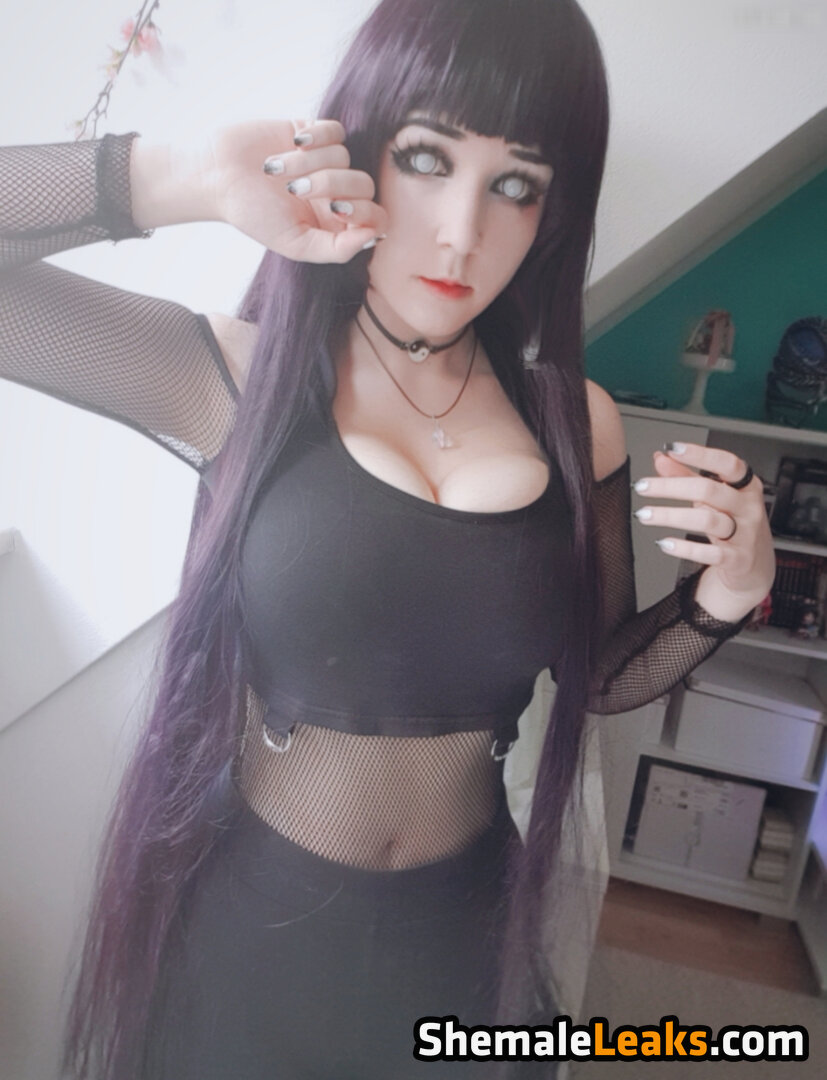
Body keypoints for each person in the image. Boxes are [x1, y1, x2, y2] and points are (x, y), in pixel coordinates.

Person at [0, 0, 776, 1077]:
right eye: (424, 158)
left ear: (551, 214)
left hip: (465, 936)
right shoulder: (236, 378)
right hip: (255, 933)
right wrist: (179, 177)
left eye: (515, 184)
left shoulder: (574, 421)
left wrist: (723, 597)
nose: (461, 231)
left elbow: (595, 675)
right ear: (359, 150)